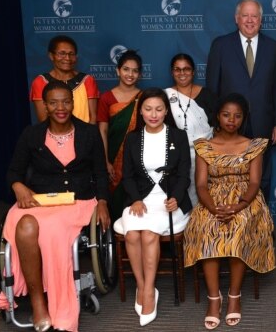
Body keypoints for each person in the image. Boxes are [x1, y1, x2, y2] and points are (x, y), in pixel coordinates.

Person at [0, 81, 110, 332]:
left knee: (53, 229)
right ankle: (39, 301)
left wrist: (102, 202)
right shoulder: (31, 134)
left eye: (66, 101)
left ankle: (57, 301)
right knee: (25, 225)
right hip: (39, 200)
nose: (61, 107)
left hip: (78, 201)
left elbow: (101, 173)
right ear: (45, 106)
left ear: (73, 103)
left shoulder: (89, 133)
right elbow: (14, 171)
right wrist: (18, 186)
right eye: (54, 102)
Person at [184, 93, 275, 330]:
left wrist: (239, 205)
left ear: (243, 118)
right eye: (226, 115)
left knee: (239, 228)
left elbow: (255, 182)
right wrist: (214, 209)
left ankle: (234, 295)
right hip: (212, 200)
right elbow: (201, 185)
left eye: (237, 116)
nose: (231, 120)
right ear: (217, 116)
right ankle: (214, 299)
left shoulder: (254, 145)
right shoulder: (204, 146)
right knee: (207, 229)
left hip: (246, 200)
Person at [119, 88, 192, 326]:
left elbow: (184, 176)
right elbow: (127, 176)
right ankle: (143, 286)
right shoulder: (132, 138)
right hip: (140, 199)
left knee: (149, 235)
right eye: (148, 109)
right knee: (132, 235)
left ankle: (148, 291)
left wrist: (177, 197)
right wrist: (135, 199)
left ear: (165, 111)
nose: (154, 114)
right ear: (140, 111)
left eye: (159, 109)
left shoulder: (178, 136)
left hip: (168, 201)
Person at [206, 0, 276, 198]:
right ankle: (234, 225)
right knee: (230, 174)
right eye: (245, 16)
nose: (250, 20)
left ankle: (261, 225)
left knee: (263, 176)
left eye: (254, 16)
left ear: (261, 19)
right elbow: (212, 87)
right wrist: (214, 121)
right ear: (236, 18)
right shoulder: (221, 45)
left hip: (263, 122)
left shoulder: (273, 48)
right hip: (229, 124)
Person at [165, 53, 216, 207]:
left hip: (205, 153)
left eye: (186, 69)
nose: (182, 73)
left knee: (204, 189)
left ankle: (201, 222)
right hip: (176, 154)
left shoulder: (207, 95)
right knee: (179, 189)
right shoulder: (165, 96)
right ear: (172, 72)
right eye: (177, 69)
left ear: (193, 72)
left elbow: (216, 126)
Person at [97, 50, 143, 220]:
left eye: (135, 70)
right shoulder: (106, 98)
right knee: (115, 203)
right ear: (118, 71)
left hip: (137, 159)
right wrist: (106, 161)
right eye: (126, 69)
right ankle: (116, 245)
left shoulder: (143, 97)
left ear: (140, 74)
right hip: (113, 158)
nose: (130, 74)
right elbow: (102, 130)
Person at [30, 35, 99, 124]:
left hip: (84, 135)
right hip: (54, 136)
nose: (67, 58)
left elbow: (93, 117)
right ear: (51, 56)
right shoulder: (40, 82)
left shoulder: (87, 80)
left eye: (71, 54)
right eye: (62, 53)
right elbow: (43, 120)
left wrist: (87, 136)